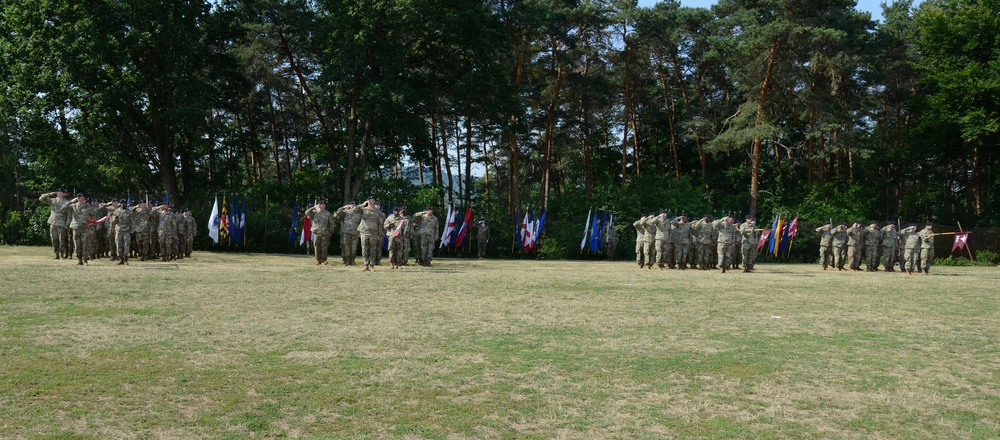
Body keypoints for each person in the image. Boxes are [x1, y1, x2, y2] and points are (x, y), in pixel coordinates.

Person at [352, 197, 386, 271]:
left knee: (372, 249)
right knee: (364, 249)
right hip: (364, 232)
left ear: (374, 202)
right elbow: (354, 210)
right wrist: (363, 204)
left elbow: (380, 223)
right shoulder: (363, 209)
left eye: (372, 200)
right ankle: (366, 265)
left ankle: (372, 265)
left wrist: (379, 234)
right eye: (369, 200)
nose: (370, 201)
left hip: (373, 232)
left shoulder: (377, 211)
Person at [39, 189, 71, 259]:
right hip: (53, 222)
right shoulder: (53, 201)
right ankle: (56, 254)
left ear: (64, 194)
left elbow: (69, 215)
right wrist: (50, 194)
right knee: (54, 239)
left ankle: (62, 254)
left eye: (61, 193)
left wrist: (67, 224)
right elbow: (41, 198)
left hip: (62, 223)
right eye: (58, 192)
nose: (59, 194)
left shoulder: (67, 202)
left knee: (62, 239)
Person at [304, 201, 335, 265]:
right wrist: (313, 207)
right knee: (316, 246)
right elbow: (306, 213)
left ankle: (324, 260)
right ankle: (318, 260)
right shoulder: (314, 212)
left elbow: (331, 224)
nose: (321, 206)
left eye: (323, 204)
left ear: (325, 206)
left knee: (324, 246)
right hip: (316, 232)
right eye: (320, 204)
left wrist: (330, 232)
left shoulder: (328, 214)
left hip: (325, 232)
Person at [335, 201, 361, 265]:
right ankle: (347, 260)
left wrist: (360, 232)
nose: (353, 206)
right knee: (346, 247)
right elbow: (337, 213)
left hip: (355, 233)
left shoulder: (358, 214)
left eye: (354, 205)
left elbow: (361, 223)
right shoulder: (345, 212)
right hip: (346, 232)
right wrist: (344, 207)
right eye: (352, 205)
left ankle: (352, 260)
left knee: (354, 248)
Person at [110, 201, 133, 265]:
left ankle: (125, 259)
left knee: (126, 245)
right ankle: (120, 259)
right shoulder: (116, 211)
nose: (124, 204)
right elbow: (113, 222)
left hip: (127, 231)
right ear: (120, 204)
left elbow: (132, 221)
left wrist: (132, 230)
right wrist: (115, 218)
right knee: (118, 245)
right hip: (118, 230)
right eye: (122, 203)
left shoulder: (130, 212)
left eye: (125, 203)